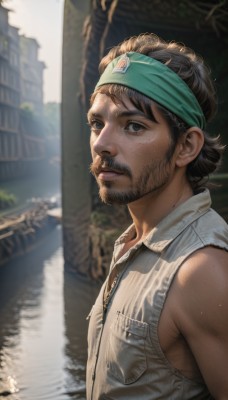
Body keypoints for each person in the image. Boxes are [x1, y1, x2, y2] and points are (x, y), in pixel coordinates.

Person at [86, 33, 228, 400]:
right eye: (97, 123)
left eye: (134, 125)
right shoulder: (134, 243)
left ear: (186, 146)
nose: (102, 143)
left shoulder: (200, 271)